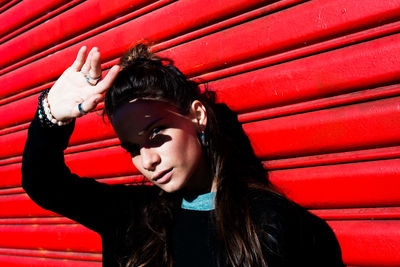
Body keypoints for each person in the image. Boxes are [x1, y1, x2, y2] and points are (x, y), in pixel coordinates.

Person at [22, 43, 344, 267]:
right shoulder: (133, 218)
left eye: (156, 136)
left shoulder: (278, 226)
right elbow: (43, 182)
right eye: (133, 149)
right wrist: (51, 115)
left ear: (197, 116)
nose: (147, 161)